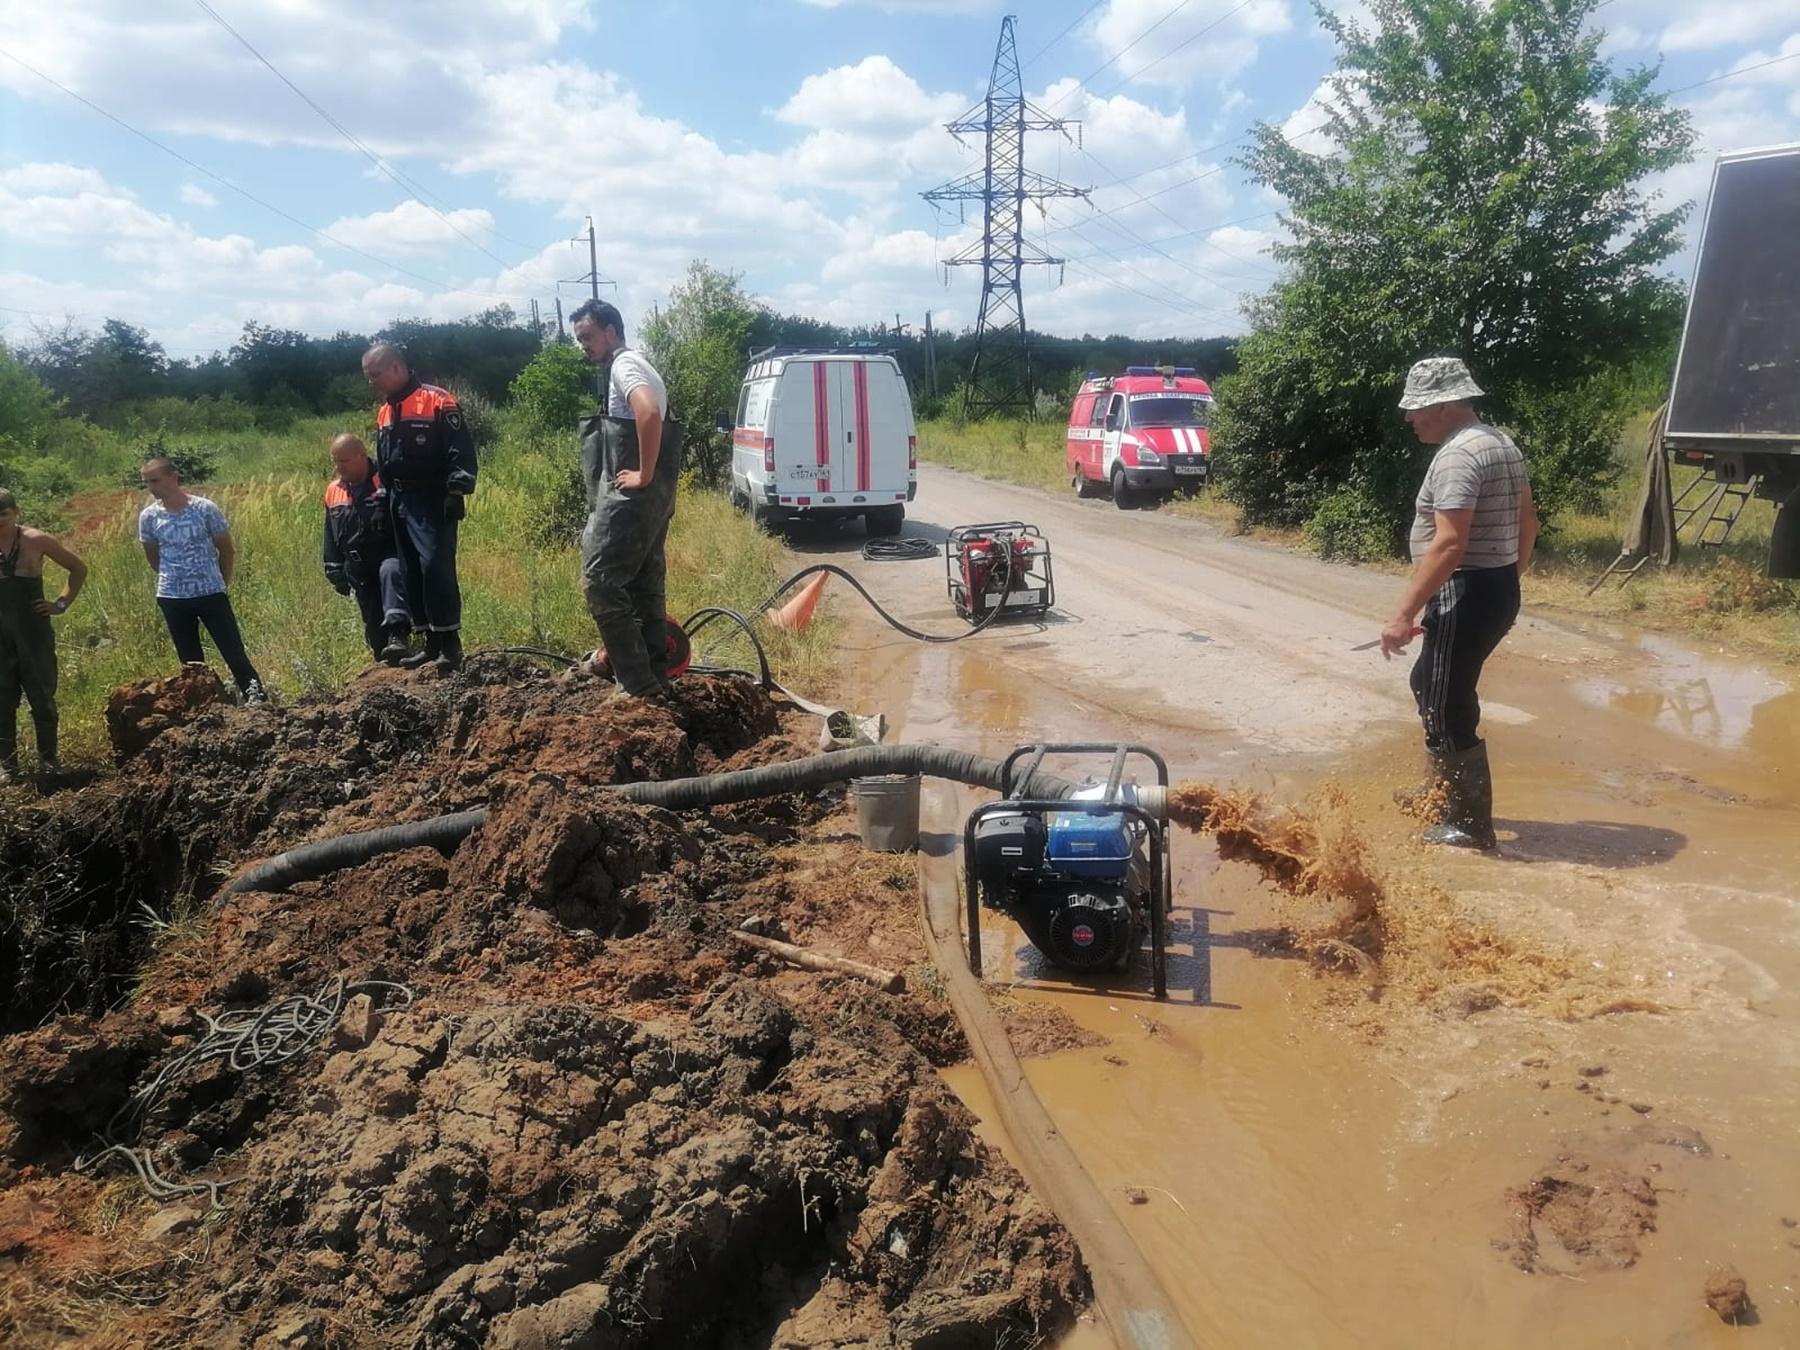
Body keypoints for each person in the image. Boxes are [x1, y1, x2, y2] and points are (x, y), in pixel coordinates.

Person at [1378, 357, 1538, 850]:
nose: (1410, 418)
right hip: (1492, 586)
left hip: (1467, 588)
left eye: (1418, 409)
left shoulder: (1458, 455)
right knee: (1428, 681)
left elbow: (1448, 544)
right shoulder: (1499, 442)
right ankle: (1440, 792)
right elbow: (1528, 518)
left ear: (1444, 406)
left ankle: (1468, 825)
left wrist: (1403, 614)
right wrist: (1509, 573)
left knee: (1447, 704)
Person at [570, 299, 682, 697]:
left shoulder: (625, 365)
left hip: (631, 500)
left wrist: (643, 473)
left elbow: (648, 413)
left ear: (611, 332)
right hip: (655, 501)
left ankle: (635, 682)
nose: (583, 344)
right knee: (643, 585)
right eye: (579, 338)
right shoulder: (639, 363)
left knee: (599, 580)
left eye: (587, 336)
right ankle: (654, 678)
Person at [361, 342, 477, 674]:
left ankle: (450, 646)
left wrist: (457, 490)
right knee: (410, 570)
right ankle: (429, 644)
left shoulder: (437, 401)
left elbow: (461, 451)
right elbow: (384, 462)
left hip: (432, 497)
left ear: (396, 368)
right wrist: (382, 499)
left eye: (376, 375)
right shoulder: (384, 411)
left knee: (434, 568)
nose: (372, 382)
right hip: (399, 499)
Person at [138, 457, 267, 705]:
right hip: (172, 597)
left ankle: (258, 702)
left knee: (233, 652)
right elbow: (153, 559)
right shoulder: (149, 517)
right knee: (191, 663)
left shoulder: (204, 508)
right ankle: (207, 710)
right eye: (146, 483)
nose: (151, 487)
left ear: (174, 477)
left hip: (210, 593)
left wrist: (220, 581)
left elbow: (226, 550)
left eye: (155, 480)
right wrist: (174, 577)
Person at [0, 488, 87, 783]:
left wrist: (60, 603)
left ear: (16, 513)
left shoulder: (35, 540)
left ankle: (49, 760)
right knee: (2, 698)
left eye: (4, 515)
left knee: (42, 696)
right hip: (0, 634)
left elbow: (78, 568)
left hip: (33, 630)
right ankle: (7, 767)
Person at [323, 433, 411, 664]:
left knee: (390, 572)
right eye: (335, 461)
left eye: (344, 461)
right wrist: (333, 568)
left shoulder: (385, 481)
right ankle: (385, 661)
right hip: (359, 565)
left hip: (388, 553)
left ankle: (398, 635)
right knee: (375, 633)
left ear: (361, 456)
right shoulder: (334, 490)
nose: (339, 467)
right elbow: (330, 533)